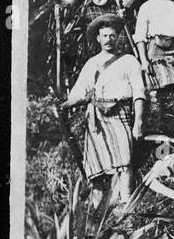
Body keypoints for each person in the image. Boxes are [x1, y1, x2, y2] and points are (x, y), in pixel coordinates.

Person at [63, 14, 147, 206]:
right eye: (104, 36)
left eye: (112, 35)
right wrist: (64, 105)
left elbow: (139, 94)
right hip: (96, 118)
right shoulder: (91, 63)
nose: (109, 40)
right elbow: (79, 92)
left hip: (120, 114)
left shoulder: (129, 61)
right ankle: (96, 210)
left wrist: (138, 123)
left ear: (117, 37)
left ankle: (127, 205)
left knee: (124, 161)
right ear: (98, 38)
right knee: (96, 167)